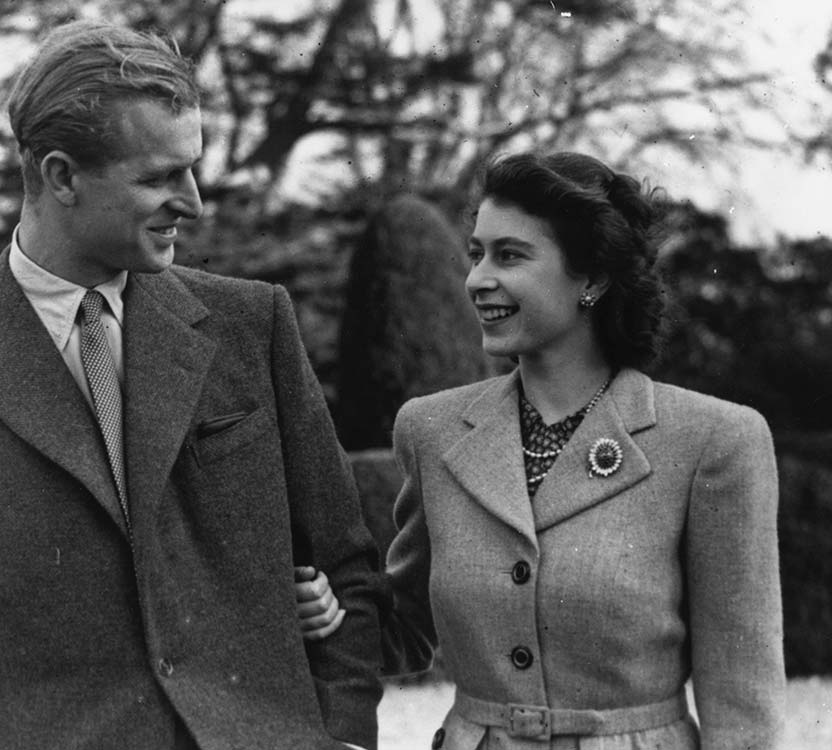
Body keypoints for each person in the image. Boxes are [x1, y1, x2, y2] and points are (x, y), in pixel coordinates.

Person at [0, 20, 384, 750]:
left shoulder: (252, 325)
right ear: (62, 176)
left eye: (192, 169)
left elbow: (346, 570)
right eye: (159, 177)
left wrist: (342, 737)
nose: (193, 202)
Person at [299, 151, 786, 749]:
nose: (477, 279)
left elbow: (742, 705)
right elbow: (406, 631)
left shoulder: (715, 442)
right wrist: (332, 617)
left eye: (510, 255)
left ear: (593, 279)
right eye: (476, 254)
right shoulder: (431, 430)